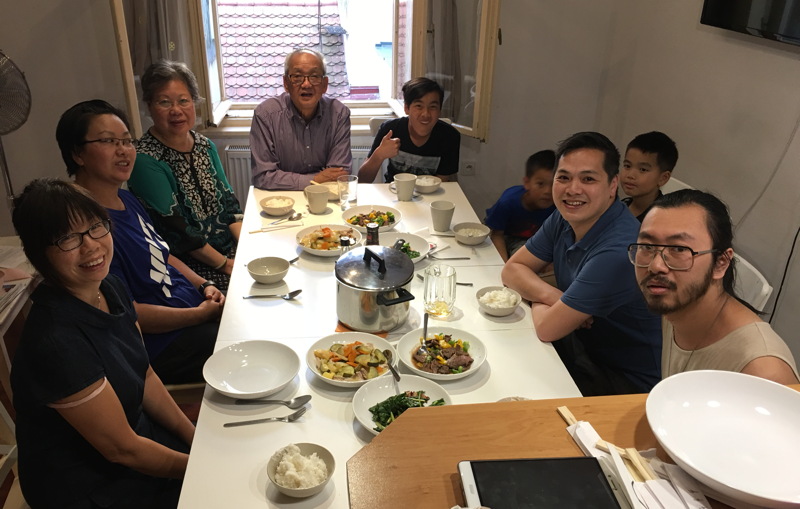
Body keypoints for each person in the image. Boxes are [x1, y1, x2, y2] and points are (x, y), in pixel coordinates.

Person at [11, 178, 194, 508]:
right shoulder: (56, 342)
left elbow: (145, 375)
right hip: (88, 484)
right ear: (39, 252)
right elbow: (121, 449)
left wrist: (192, 436)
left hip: (136, 441)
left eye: (97, 227)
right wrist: (200, 468)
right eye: (68, 238)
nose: (91, 245)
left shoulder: (109, 286)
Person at [57, 99, 223, 384]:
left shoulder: (126, 199)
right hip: (164, 344)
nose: (123, 151)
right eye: (108, 141)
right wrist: (197, 316)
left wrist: (204, 285)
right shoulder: (87, 229)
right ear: (78, 154)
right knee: (253, 343)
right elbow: (125, 312)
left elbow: (162, 254)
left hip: (191, 310)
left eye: (126, 140)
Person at [501, 132, 661, 396]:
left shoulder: (619, 251)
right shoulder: (565, 216)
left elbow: (546, 328)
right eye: (563, 177)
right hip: (582, 345)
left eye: (588, 179)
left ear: (612, 186)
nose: (572, 189)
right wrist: (557, 298)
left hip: (623, 382)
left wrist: (546, 303)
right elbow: (511, 270)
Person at [631, 189, 799, 384]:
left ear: (720, 263)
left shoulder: (763, 370)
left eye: (678, 249)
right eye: (647, 247)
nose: (655, 266)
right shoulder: (675, 304)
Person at [128, 60, 242, 291]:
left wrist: (248, 249)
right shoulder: (144, 159)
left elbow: (230, 210)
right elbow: (180, 233)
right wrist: (228, 265)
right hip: (189, 268)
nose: (176, 110)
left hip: (228, 253)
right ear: (149, 106)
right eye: (164, 102)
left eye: (183, 100)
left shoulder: (204, 145)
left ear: (194, 102)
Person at [250, 48, 352, 190]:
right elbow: (263, 176)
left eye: (314, 76)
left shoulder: (339, 114)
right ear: (286, 83)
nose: (306, 84)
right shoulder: (265, 115)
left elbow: (339, 174)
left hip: (325, 196)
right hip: (280, 199)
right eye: (297, 77)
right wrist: (316, 179)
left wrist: (286, 179)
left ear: (324, 85)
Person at [358, 77, 461, 183]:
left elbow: (442, 183)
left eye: (433, 107)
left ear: (440, 110)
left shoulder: (449, 136)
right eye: (419, 106)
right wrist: (379, 155)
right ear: (407, 108)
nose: (426, 114)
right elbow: (363, 181)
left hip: (432, 196)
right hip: (394, 194)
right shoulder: (390, 130)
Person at [485, 150, 556, 262]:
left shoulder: (558, 206)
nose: (547, 191)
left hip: (534, 240)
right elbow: (497, 234)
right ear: (527, 183)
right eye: (540, 184)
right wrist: (502, 264)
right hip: (502, 233)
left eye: (553, 185)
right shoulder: (508, 202)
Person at [620, 131, 678, 222]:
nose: (630, 175)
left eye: (643, 169)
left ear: (663, 178)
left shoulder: (661, 220)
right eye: (627, 166)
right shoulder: (622, 205)